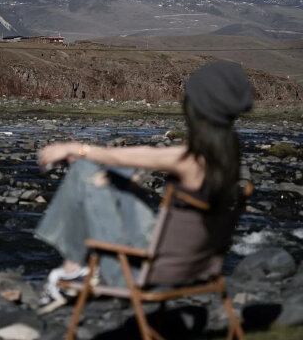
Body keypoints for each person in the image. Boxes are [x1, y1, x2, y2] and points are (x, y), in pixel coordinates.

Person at [35, 61, 254, 314]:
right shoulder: (227, 157)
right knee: (115, 172)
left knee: (85, 170)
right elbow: (144, 156)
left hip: (149, 272)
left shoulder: (191, 161)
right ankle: (72, 270)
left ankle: (72, 271)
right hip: (195, 265)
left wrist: (78, 149)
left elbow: (150, 156)